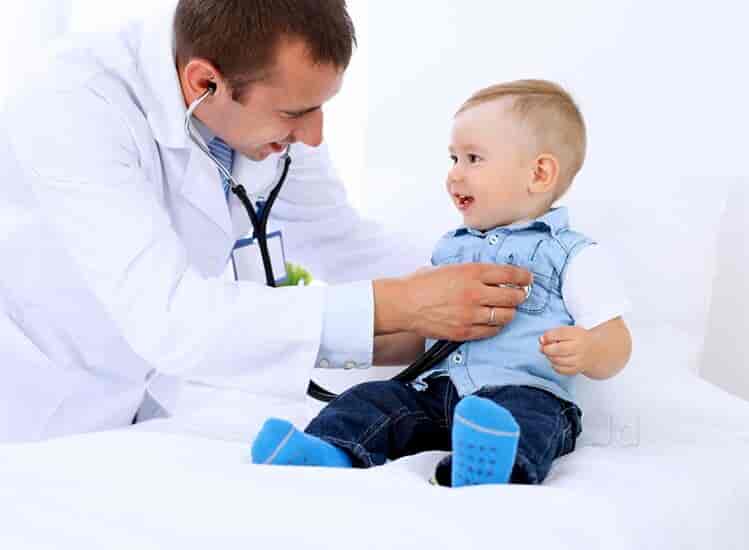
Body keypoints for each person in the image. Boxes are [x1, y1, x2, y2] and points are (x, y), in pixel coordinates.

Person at [0, 0, 531, 442]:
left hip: (142, 401)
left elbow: (340, 239)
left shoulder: (266, 104)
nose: (315, 135)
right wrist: (398, 304)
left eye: (320, 106)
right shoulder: (72, 105)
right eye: (295, 114)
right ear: (204, 82)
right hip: (31, 399)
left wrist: (494, 280)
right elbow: (169, 315)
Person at [251, 79, 633, 487]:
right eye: (453, 158)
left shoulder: (571, 254)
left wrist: (588, 349)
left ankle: (490, 467)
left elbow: (617, 343)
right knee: (371, 399)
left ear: (539, 173)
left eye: (473, 159)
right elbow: (425, 336)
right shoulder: (450, 250)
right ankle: (326, 450)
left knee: (531, 419)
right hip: (436, 395)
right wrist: (335, 342)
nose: (454, 175)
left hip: (522, 391)